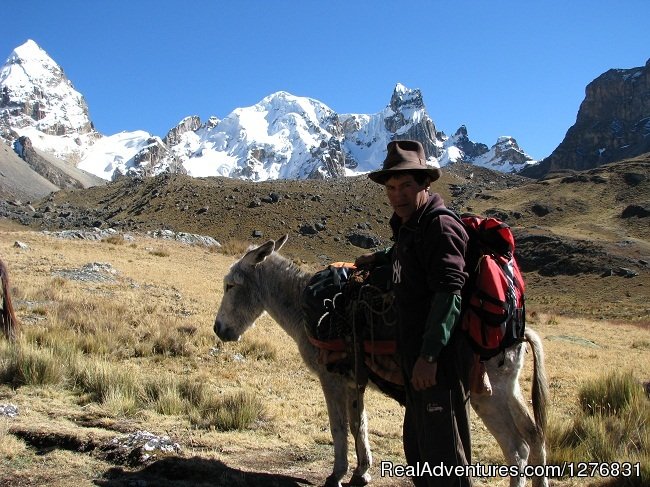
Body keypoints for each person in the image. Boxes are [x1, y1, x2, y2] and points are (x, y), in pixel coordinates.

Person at [356, 140, 473, 487]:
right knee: (421, 453)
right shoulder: (411, 227)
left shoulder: (439, 226)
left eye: (406, 185)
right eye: (391, 187)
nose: (397, 194)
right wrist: (379, 258)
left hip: (438, 362)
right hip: (416, 359)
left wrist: (429, 355)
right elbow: (406, 257)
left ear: (425, 184)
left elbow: (449, 291)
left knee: (445, 460)